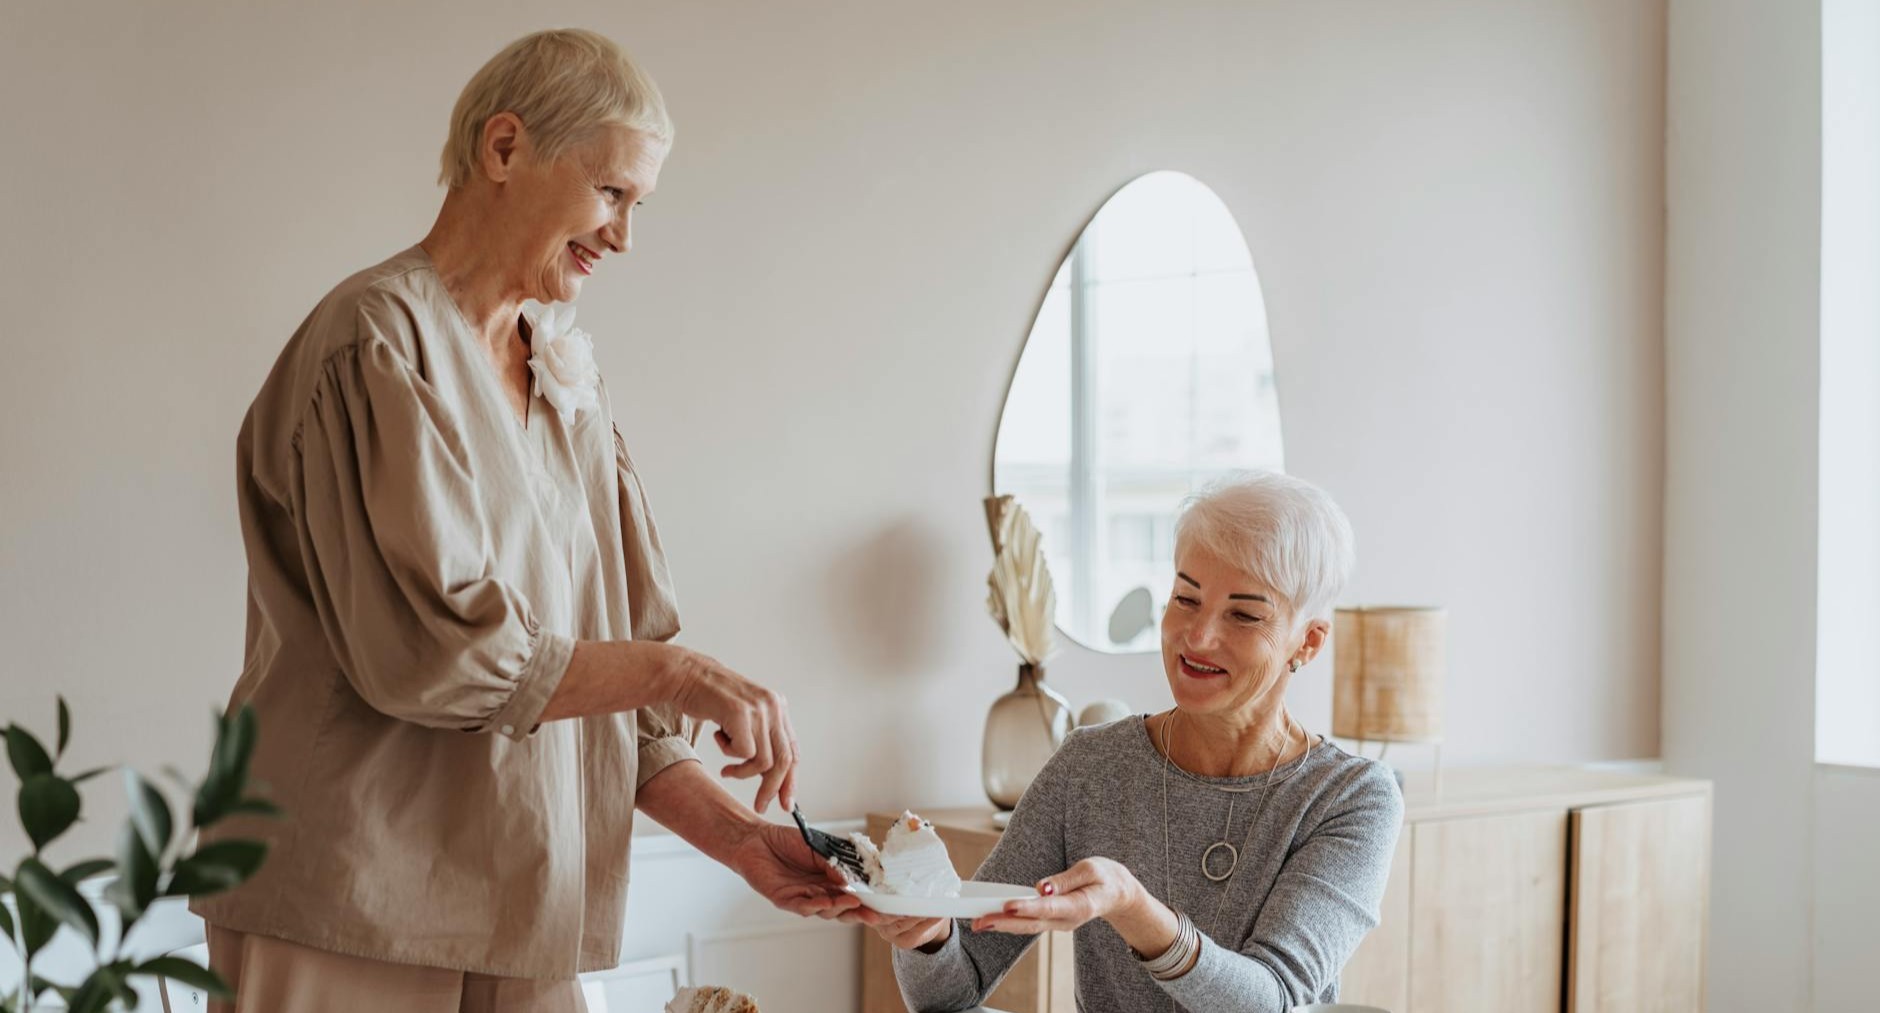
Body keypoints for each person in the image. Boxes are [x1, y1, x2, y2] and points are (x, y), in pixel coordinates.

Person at [190, 29, 858, 1012]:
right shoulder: (373, 346)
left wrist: (744, 840)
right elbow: (438, 656)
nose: (624, 235)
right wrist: (680, 671)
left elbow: (609, 686)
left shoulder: (565, 379)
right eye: (610, 193)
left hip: (521, 911)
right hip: (347, 899)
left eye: (639, 204)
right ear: (504, 149)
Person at [876, 472, 1403, 1011]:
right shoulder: (1091, 766)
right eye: (1186, 598)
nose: (1198, 637)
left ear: (1308, 642)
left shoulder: (1350, 796)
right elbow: (950, 994)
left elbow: (1272, 1001)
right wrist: (930, 934)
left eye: (1244, 614)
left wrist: (1131, 906)